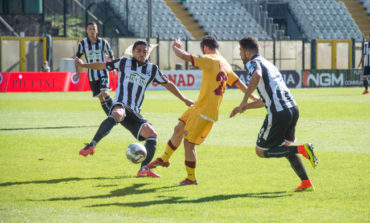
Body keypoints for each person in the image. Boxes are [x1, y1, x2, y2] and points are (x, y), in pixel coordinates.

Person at [147, 36, 257, 185]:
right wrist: (255, 98)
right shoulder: (225, 63)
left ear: (205, 47)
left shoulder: (209, 59)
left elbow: (183, 56)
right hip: (198, 106)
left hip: (205, 110)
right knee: (179, 127)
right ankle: (164, 159)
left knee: (189, 144)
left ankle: (191, 178)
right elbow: (239, 83)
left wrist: (175, 46)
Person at [74, 40, 194, 177]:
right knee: (118, 112)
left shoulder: (152, 69)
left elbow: (168, 84)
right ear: (133, 52)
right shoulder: (124, 62)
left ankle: (144, 170)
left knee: (152, 135)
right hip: (121, 104)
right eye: (139, 51)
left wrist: (184, 99)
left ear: (148, 53)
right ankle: (91, 145)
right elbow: (103, 65)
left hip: (135, 112)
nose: (142, 54)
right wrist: (83, 65)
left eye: (145, 51)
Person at [229, 36, 318, 191]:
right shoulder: (269, 64)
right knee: (284, 147)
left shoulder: (253, 63)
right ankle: (306, 182)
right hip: (292, 109)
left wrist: (244, 100)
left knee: (261, 151)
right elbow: (265, 100)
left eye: (241, 51)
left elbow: (256, 75)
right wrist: (244, 107)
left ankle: (302, 149)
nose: (240, 54)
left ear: (248, 53)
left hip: (279, 112)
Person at [74, 22, 116, 115]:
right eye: (90, 29)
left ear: (97, 31)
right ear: (87, 31)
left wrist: (113, 68)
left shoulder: (103, 42)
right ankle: (110, 116)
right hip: (91, 74)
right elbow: (77, 59)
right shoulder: (82, 44)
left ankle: (115, 112)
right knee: (100, 97)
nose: (92, 31)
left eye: (94, 29)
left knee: (104, 91)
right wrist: (77, 72)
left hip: (103, 71)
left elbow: (111, 55)